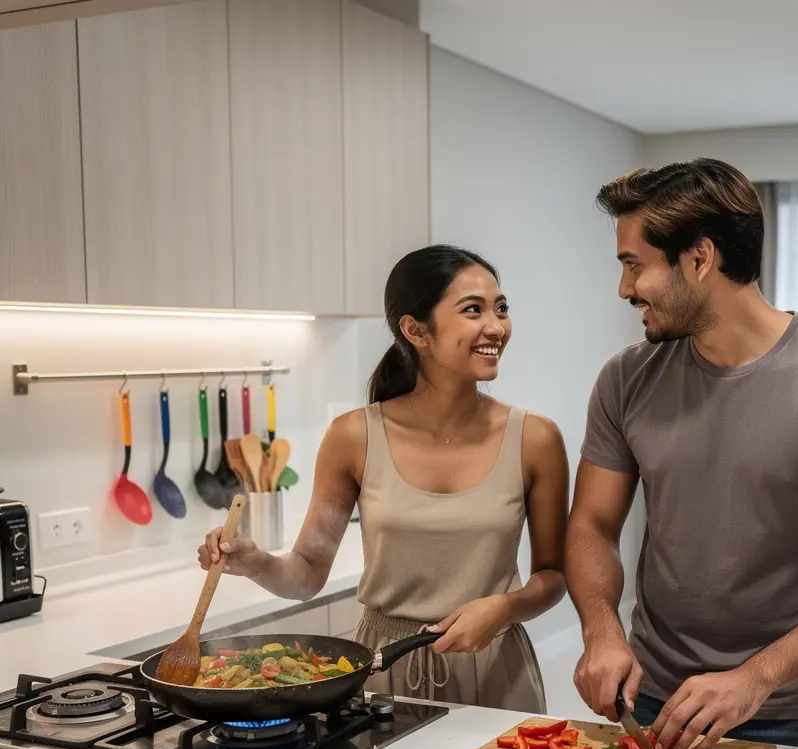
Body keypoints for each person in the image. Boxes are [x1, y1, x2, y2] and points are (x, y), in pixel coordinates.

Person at [566, 159, 798, 749]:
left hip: (794, 713)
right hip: (653, 702)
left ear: (699, 259)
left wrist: (754, 679)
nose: (625, 290)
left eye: (634, 266)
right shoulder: (626, 379)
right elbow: (592, 524)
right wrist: (600, 628)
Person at [199, 244, 569, 711]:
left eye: (501, 309)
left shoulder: (535, 439)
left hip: (495, 666)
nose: (496, 327)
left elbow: (552, 576)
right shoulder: (354, 437)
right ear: (416, 330)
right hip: (385, 671)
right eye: (473, 310)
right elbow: (308, 573)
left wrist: (504, 608)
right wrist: (255, 562)